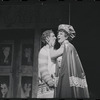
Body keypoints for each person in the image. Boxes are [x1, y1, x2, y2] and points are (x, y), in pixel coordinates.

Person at [54, 24, 90, 98]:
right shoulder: (64, 46)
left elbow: (53, 55)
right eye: (58, 34)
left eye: (61, 34)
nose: (58, 36)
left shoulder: (67, 46)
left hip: (65, 79)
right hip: (61, 78)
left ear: (66, 36)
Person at [37, 30, 64, 98]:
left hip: (55, 86)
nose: (55, 38)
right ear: (47, 39)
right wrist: (50, 82)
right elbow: (43, 69)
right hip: (48, 88)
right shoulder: (43, 51)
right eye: (53, 36)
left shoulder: (53, 51)